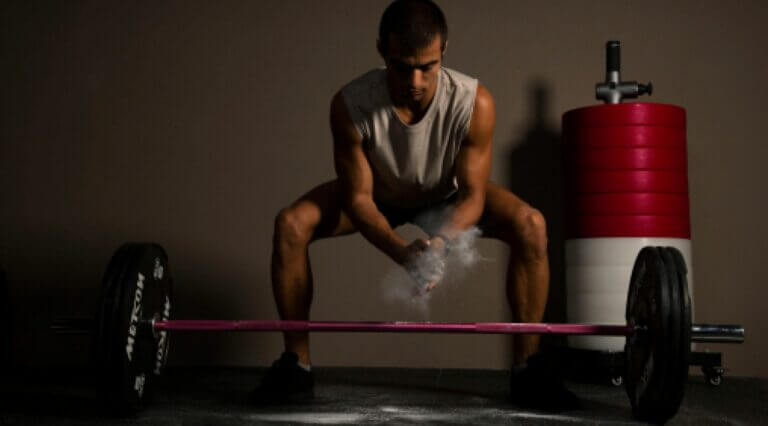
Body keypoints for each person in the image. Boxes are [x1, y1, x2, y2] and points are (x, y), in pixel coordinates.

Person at [252, 0, 578, 412]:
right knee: (291, 225)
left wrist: (439, 245)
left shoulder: (473, 102)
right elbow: (357, 199)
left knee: (531, 224)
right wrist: (402, 252)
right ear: (381, 51)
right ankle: (296, 366)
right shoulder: (351, 105)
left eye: (427, 66)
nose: (415, 81)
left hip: (446, 198)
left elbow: (472, 196)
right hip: (377, 197)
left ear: (444, 50)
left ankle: (528, 368)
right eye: (402, 67)